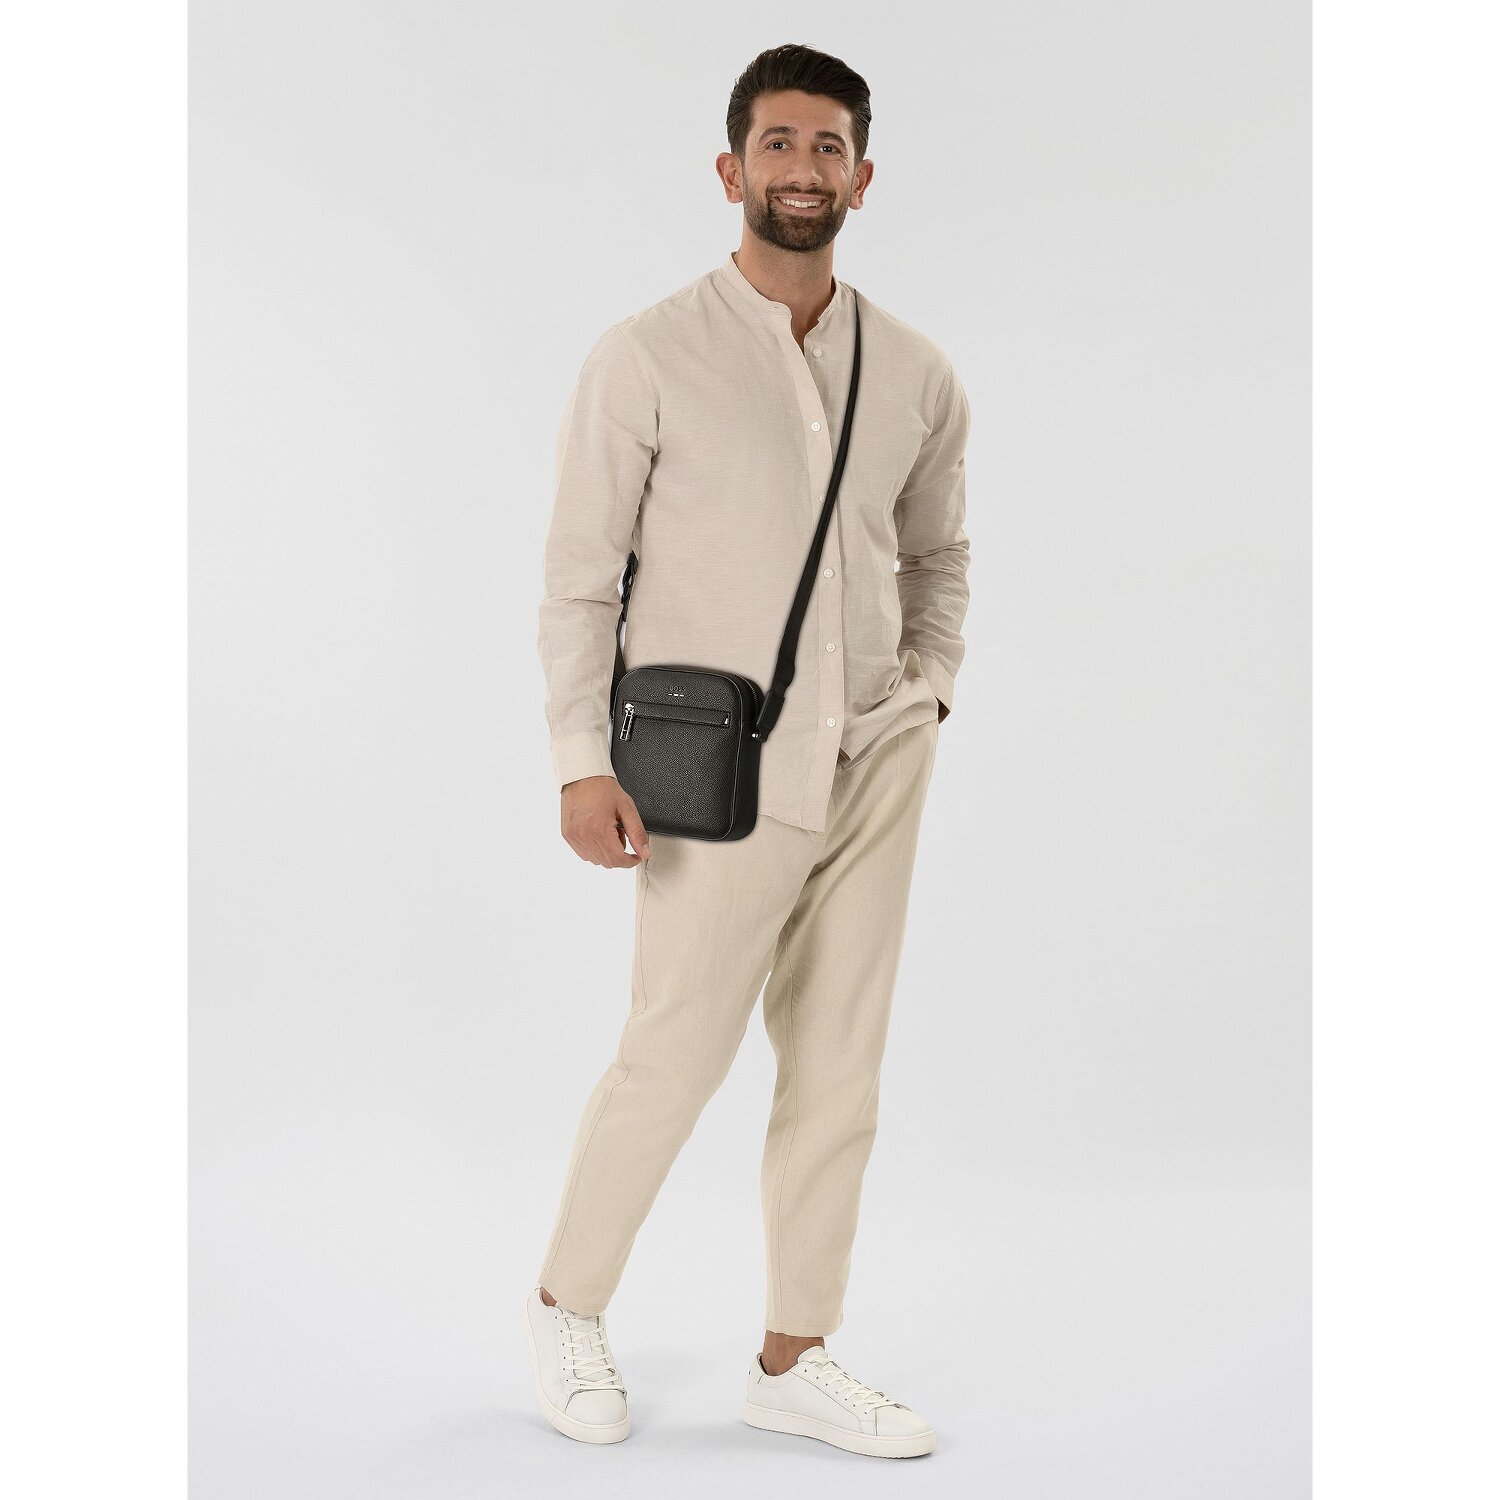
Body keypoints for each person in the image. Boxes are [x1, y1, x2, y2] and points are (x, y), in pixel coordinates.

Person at [526, 42, 971, 1460]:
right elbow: (581, 577)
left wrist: (930, 691)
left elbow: (939, 554)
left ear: (863, 176)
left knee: (841, 1067)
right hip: (717, 776)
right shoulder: (647, 354)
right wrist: (578, 758)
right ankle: (566, 1304)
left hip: (877, 759)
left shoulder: (916, 371)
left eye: (828, 145)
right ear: (732, 170)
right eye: (778, 143)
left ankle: (794, 1354)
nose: (802, 168)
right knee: (674, 1052)